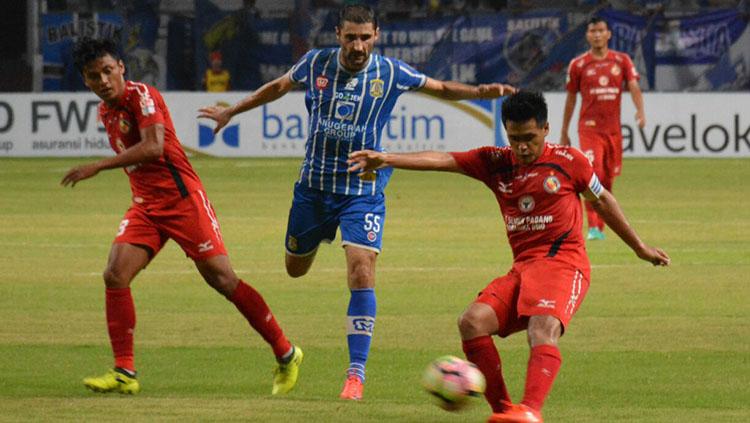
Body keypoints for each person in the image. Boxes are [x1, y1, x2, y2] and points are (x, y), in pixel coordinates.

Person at [198, 4, 514, 400]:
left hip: (363, 192)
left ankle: (355, 374)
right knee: (295, 268)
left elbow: (439, 88)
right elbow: (278, 86)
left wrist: (482, 93)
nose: (359, 45)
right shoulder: (316, 63)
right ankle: (312, 272)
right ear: (338, 35)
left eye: (365, 37)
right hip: (313, 189)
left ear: (376, 35)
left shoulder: (391, 72)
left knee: (361, 271)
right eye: (351, 37)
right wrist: (234, 111)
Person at [348, 91, 670, 422]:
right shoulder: (496, 162)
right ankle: (505, 413)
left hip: (564, 265)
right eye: (515, 139)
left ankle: (530, 411)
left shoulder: (570, 161)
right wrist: (387, 159)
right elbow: (443, 159)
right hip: (523, 269)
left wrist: (639, 247)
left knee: (542, 328)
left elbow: (602, 202)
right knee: (471, 322)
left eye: (529, 138)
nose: (522, 147)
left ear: (545, 128)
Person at [62, 37, 302, 396]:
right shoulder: (105, 111)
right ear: (86, 80)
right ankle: (125, 371)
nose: (103, 81)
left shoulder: (141, 96)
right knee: (115, 274)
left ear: (121, 68)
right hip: (146, 206)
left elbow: (154, 146)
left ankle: (286, 353)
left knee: (223, 281)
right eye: (94, 76)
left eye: (108, 71)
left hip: (184, 202)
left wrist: (98, 166)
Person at [560, 16, 646, 241]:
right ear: (587, 35)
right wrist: (564, 130)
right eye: (592, 31)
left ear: (608, 34)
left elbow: (634, 86)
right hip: (589, 129)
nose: (597, 35)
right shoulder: (578, 64)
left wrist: (640, 111)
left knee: (607, 179)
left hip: (613, 131)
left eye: (600, 31)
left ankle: (602, 225)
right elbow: (571, 99)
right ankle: (593, 228)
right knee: (593, 173)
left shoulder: (622, 60)